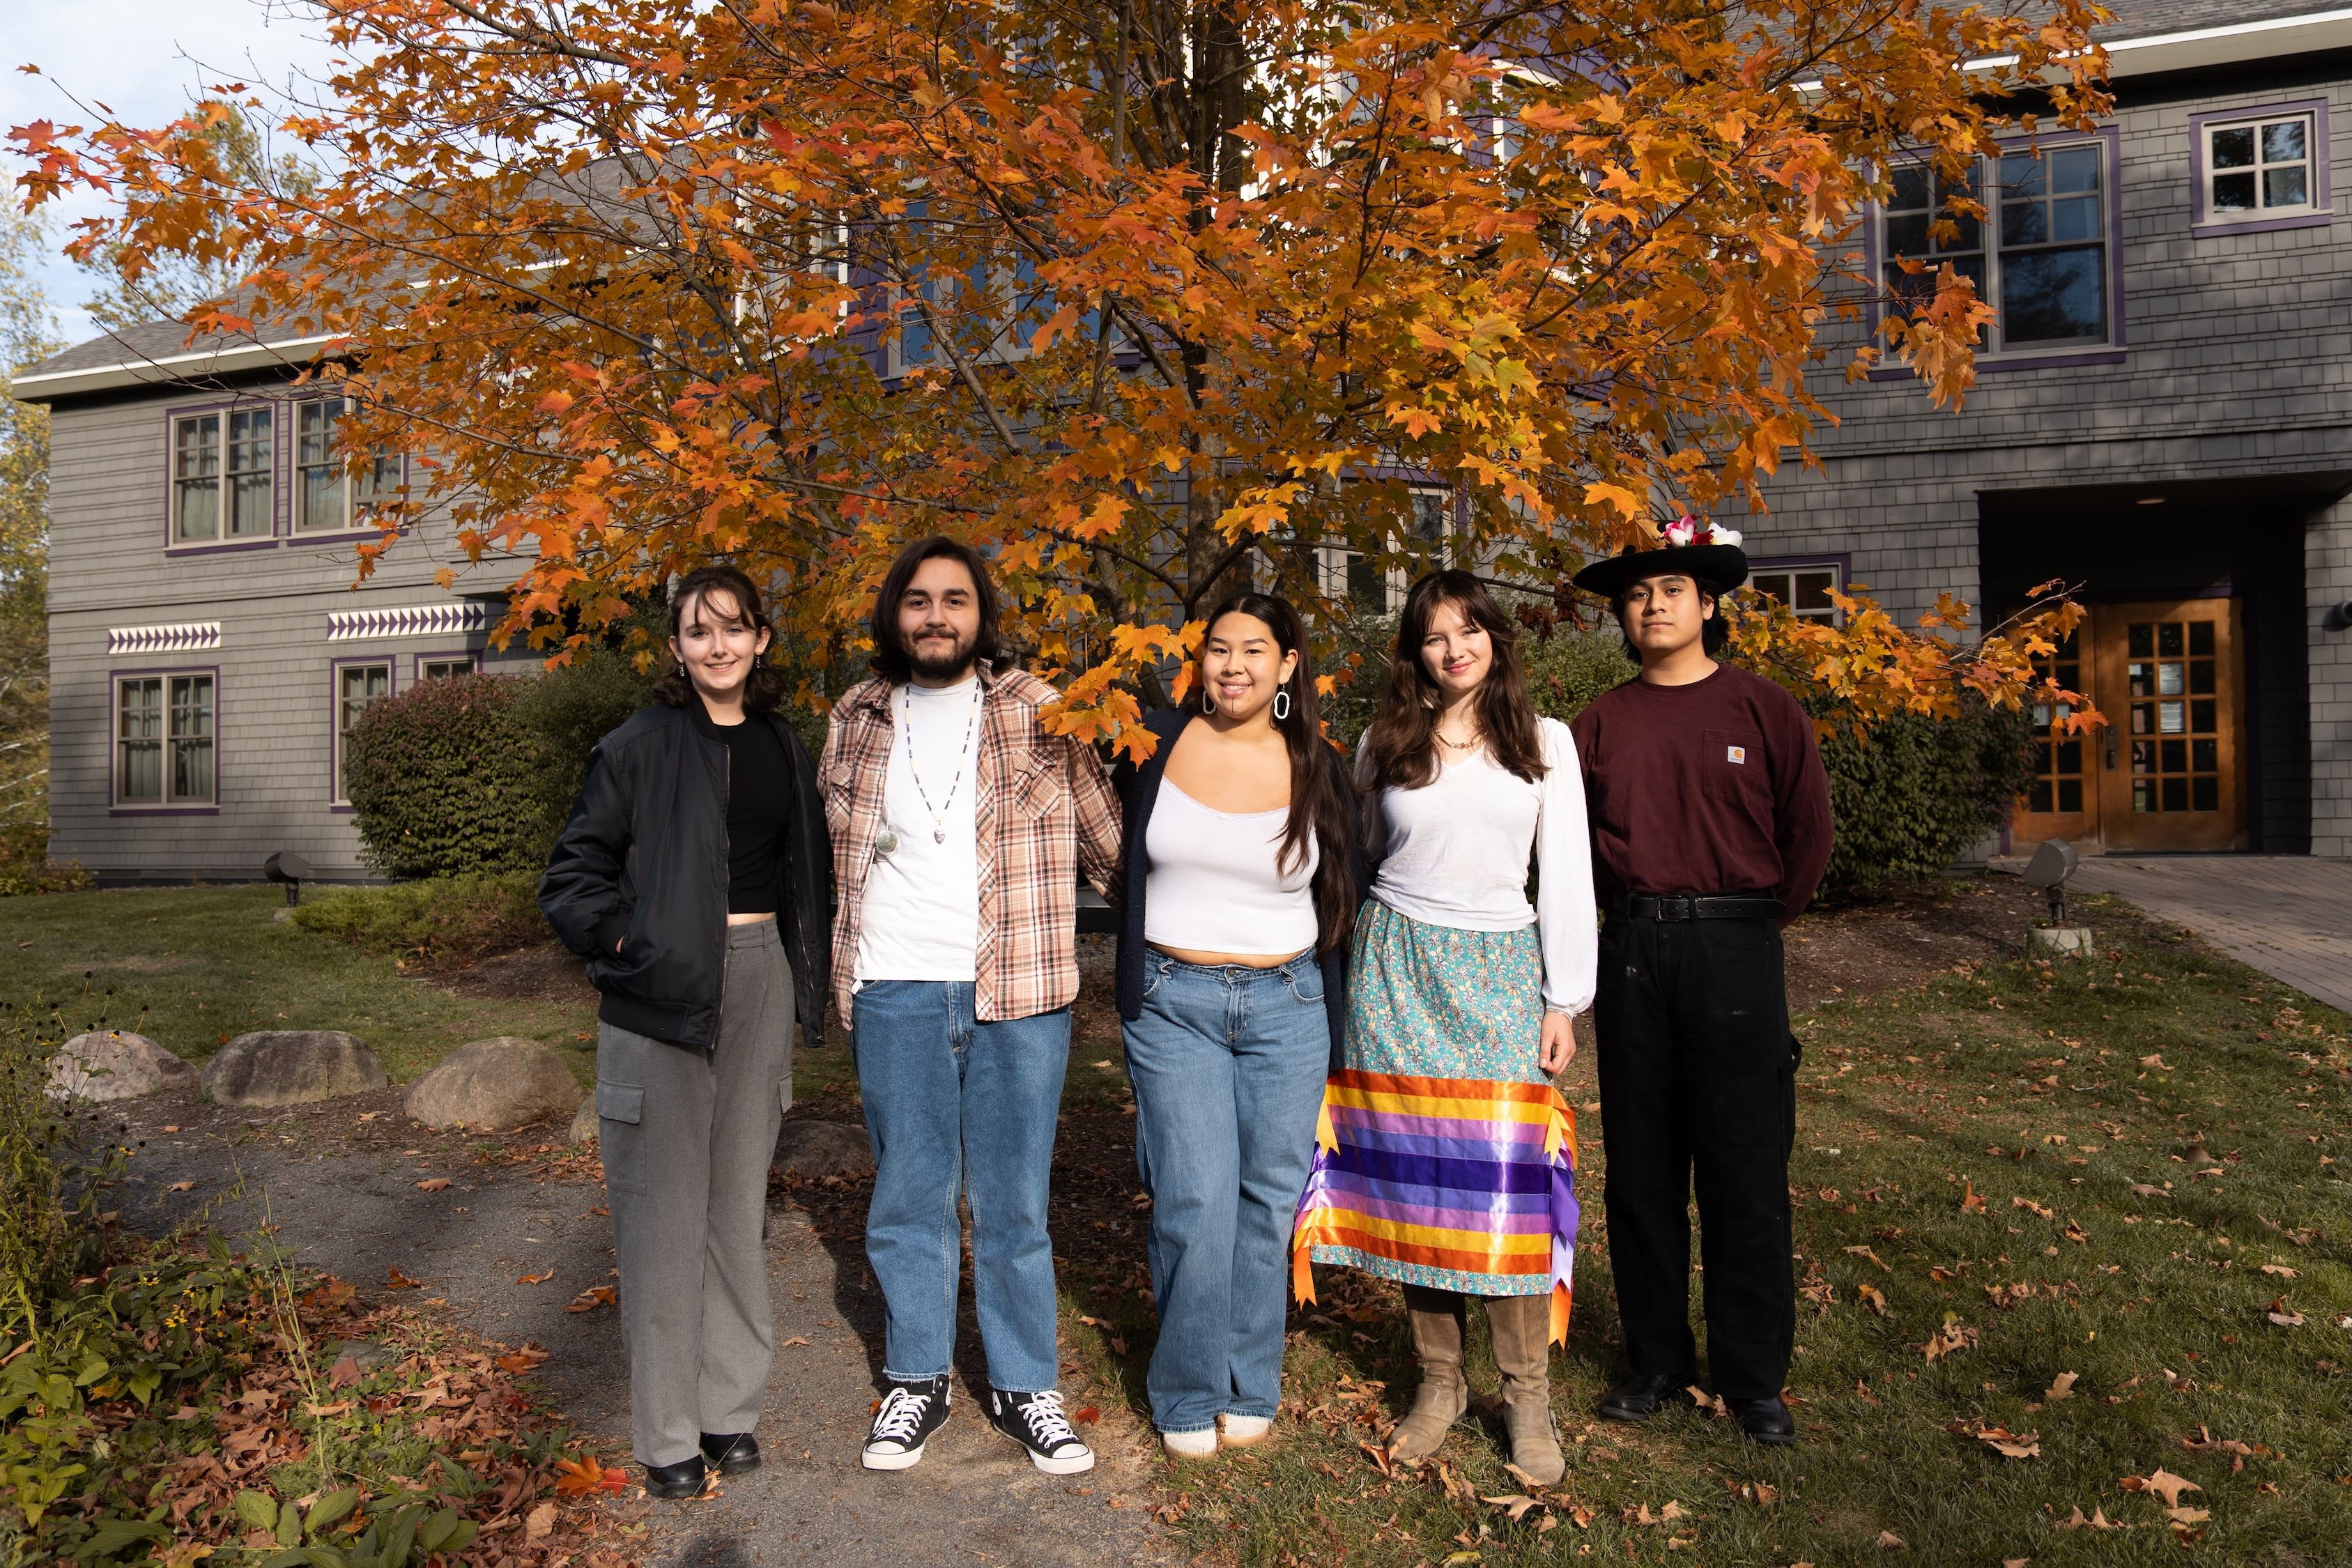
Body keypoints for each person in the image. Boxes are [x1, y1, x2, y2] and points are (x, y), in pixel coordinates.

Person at [822, 535, 1123, 1475]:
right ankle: (917, 1378)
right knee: (908, 1195)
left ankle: (1024, 1381)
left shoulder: (1042, 710)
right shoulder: (856, 713)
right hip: (896, 986)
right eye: (918, 600)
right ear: (894, 613)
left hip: (1020, 989)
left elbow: (1109, 844)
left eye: (954, 599)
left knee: (1012, 1202)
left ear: (980, 614)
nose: (936, 616)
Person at [1291, 569, 1596, 1485]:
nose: (1453, 646)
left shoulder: (1544, 743)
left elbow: (1567, 875)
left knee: (1502, 1190)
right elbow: (1358, 861)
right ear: (1413, 651)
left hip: (1501, 976)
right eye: (1433, 635)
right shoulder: (1385, 742)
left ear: (1495, 638)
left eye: (1468, 629)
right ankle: (1436, 1384)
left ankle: (1524, 1393)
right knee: (1418, 1183)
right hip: (1395, 974)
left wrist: (1563, 999)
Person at [539, 564, 831, 1499]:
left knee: (734, 1212)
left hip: (756, 982)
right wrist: (632, 938)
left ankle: (727, 1413)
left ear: (760, 640)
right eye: (698, 631)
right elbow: (572, 874)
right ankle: (667, 1431)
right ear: (675, 646)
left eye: (734, 628)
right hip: (660, 995)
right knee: (662, 1219)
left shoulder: (785, 745)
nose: (717, 645)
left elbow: (800, 871)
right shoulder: (635, 745)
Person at [1568, 518, 1833, 1447]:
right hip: (1634, 949)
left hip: (1734, 949)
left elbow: (1807, 836)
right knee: (1640, 1170)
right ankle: (1655, 1359)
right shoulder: (1596, 726)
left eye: (1669, 590)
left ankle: (1750, 1374)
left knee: (1743, 1169)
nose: (1651, 605)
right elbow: (1571, 857)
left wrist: (1750, 923)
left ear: (1706, 605)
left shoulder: (1762, 709)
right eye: (1636, 595)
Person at [1111, 592, 1364, 1459]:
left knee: (1265, 1203)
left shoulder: (1322, 768)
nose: (1233, 666)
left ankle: (1250, 1377)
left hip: (1287, 1008)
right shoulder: (1152, 745)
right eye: (1218, 649)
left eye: (1254, 650)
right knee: (1194, 1199)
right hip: (1175, 1003)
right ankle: (1185, 1385)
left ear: (1288, 666)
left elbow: (1347, 897)